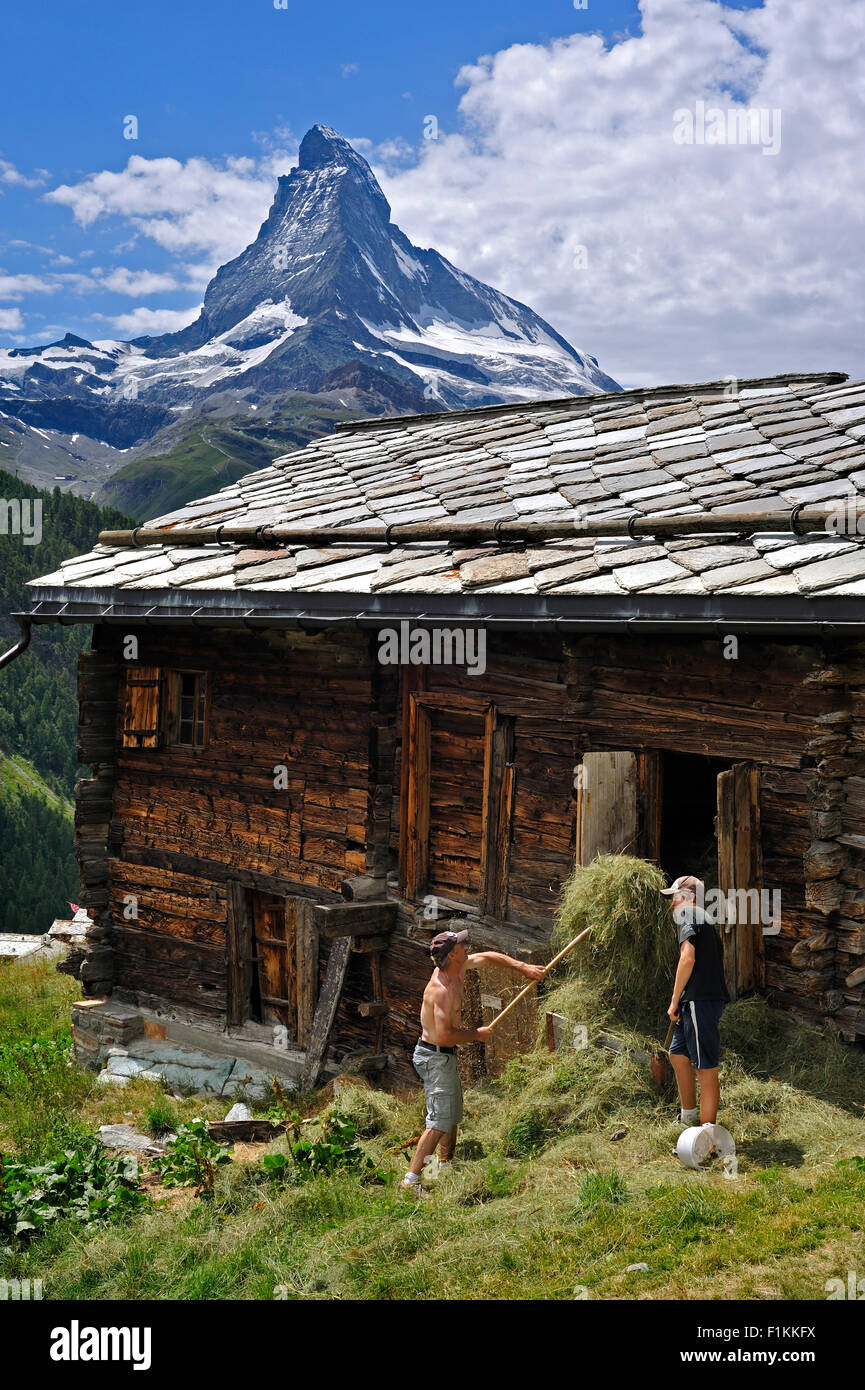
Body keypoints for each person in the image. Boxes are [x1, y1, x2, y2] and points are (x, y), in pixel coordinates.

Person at [403, 929, 546, 1197]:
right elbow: (446, 1035)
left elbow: (488, 957)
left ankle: (443, 1166)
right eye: (460, 944)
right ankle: (411, 1181)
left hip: (443, 1056)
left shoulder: (458, 966)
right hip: (434, 1056)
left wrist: (523, 966)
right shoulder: (441, 990)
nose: (466, 945)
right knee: (439, 1121)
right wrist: (476, 1035)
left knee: (452, 1113)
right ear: (453, 954)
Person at [660, 874, 730, 1129]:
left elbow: (687, 959)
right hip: (695, 999)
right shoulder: (703, 919)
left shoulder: (688, 915)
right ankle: (688, 1117)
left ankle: (706, 1134)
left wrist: (673, 998)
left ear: (688, 897)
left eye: (675, 897)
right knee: (677, 1054)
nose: (672, 904)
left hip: (700, 1001)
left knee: (705, 1067)